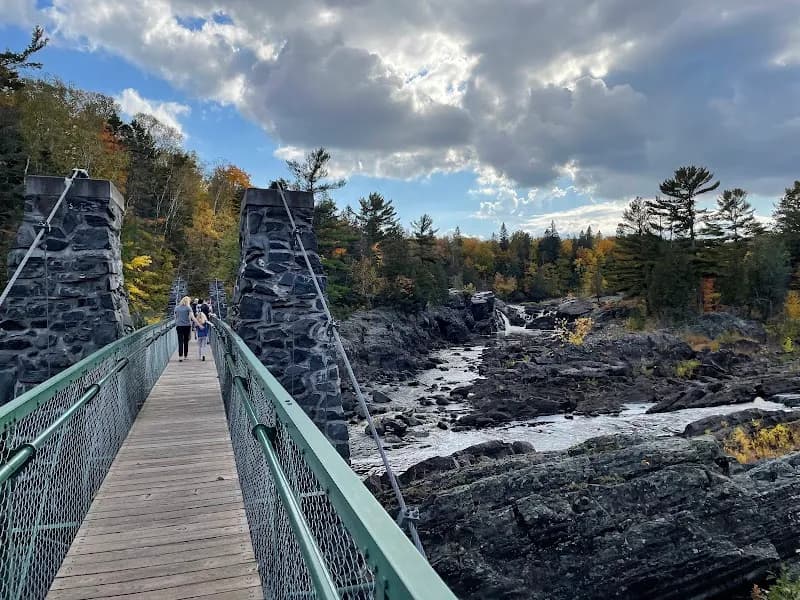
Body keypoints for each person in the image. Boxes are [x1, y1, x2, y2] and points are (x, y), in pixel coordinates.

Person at [174, 296, 199, 362]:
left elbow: (176, 317)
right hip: (187, 326)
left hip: (179, 326)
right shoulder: (188, 308)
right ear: (188, 301)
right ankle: (185, 356)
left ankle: (180, 356)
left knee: (180, 341)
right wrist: (199, 324)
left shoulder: (176, 308)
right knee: (186, 341)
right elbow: (192, 317)